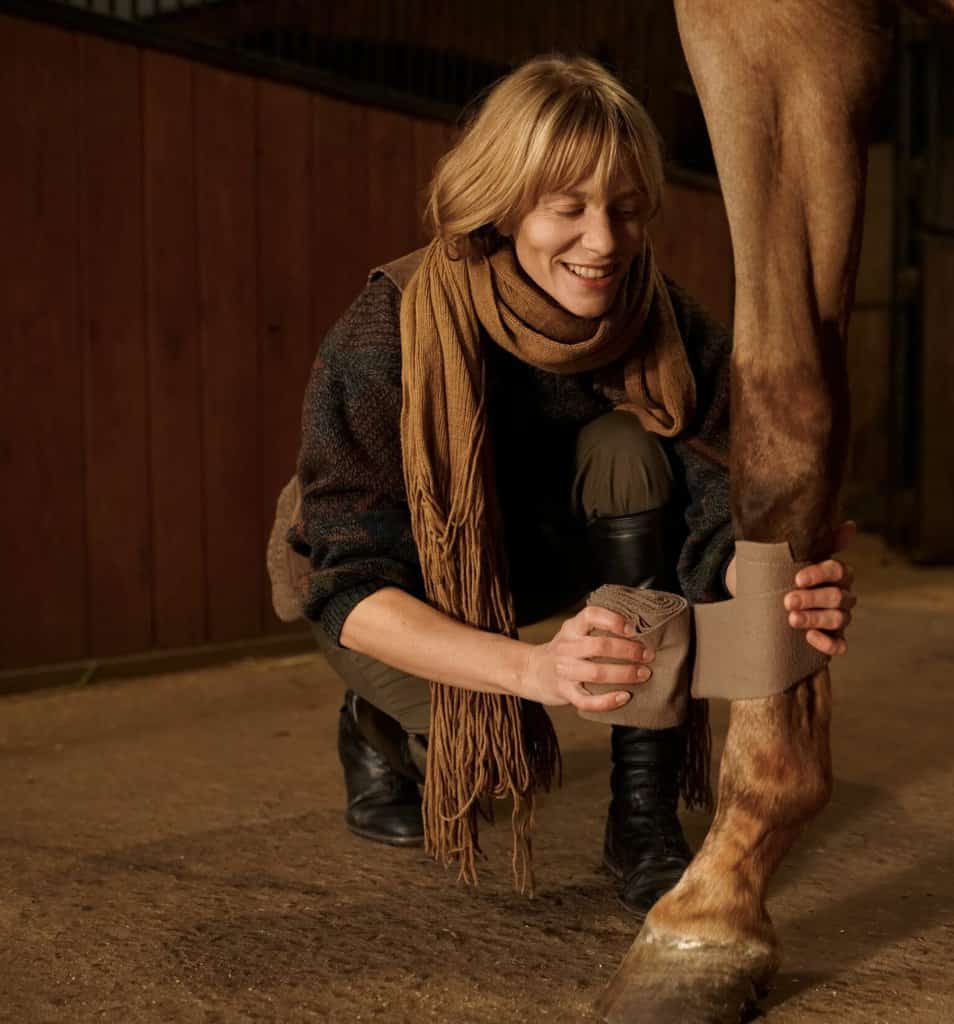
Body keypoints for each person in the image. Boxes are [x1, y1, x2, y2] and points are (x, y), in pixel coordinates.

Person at [290, 54, 855, 915]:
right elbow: (351, 583)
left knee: (630, 441)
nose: (604, 242)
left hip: (560, 548)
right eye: (569, 208)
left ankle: (642, 813)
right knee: (502, 742)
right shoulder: (386, 332)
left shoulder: (660, 318)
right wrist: (530, 673)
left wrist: (765, 584)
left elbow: (716, 494)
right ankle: (376, 724)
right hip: (399, 584)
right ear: (505, 202)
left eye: (625, 211)